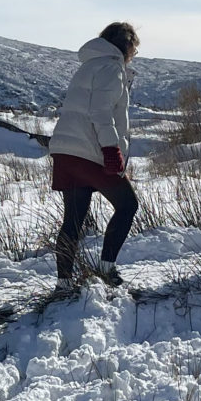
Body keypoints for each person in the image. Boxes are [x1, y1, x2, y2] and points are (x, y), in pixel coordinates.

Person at [48, 22, 142, 287]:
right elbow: (101, 111)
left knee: (73, 220)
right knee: (127, 205)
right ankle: (106, 269)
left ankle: (64, 284)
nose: (134, 53)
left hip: (67, 151)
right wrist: (111, 150)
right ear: (126, 45)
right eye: (134, 48)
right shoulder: (111, 67)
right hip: (90, 151)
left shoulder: (89, 65)